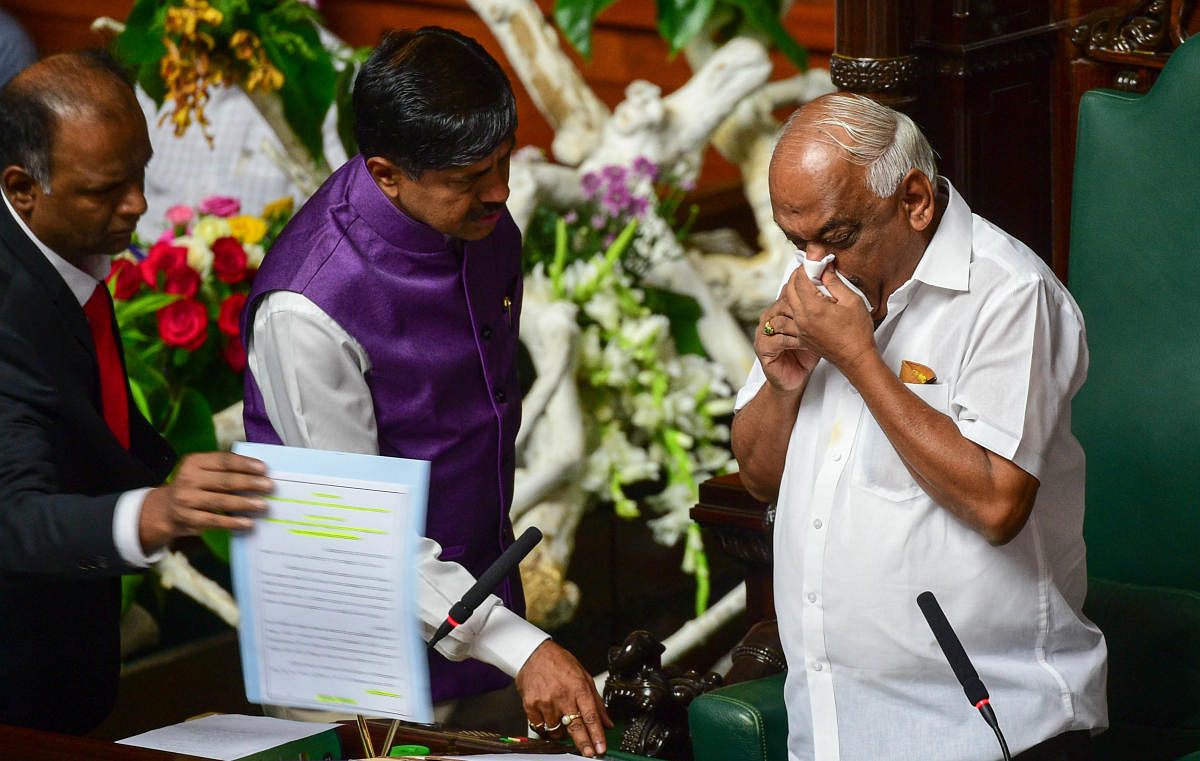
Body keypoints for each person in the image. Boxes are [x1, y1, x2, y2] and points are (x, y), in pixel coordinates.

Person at [241, 27, 611, 756]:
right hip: (353, 647)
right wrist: (521, 645)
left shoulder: (483, 222)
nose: (501, 193)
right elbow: (356, 532)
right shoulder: (309, 307)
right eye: (471, 178)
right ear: (386, 174)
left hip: (475, 593)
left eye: (502, 161)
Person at [731, 92, 1107, 761]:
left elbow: (997, 501)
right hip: (830, 728)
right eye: (799, 243)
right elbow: (760, 478)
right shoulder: (818, 280)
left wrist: (857, 358)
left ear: (914, 200)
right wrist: (784, 392)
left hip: (988, 732)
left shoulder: (1010, 294)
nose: (814, 266)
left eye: (837, 237)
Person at [0, 50, 272, 734]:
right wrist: (155, 510)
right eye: (107, 188)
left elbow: (89, 413)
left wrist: (171, 472)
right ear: (23, 185)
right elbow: (16, 517)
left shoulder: (58, 247)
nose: (139, 204)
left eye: (142, 172)